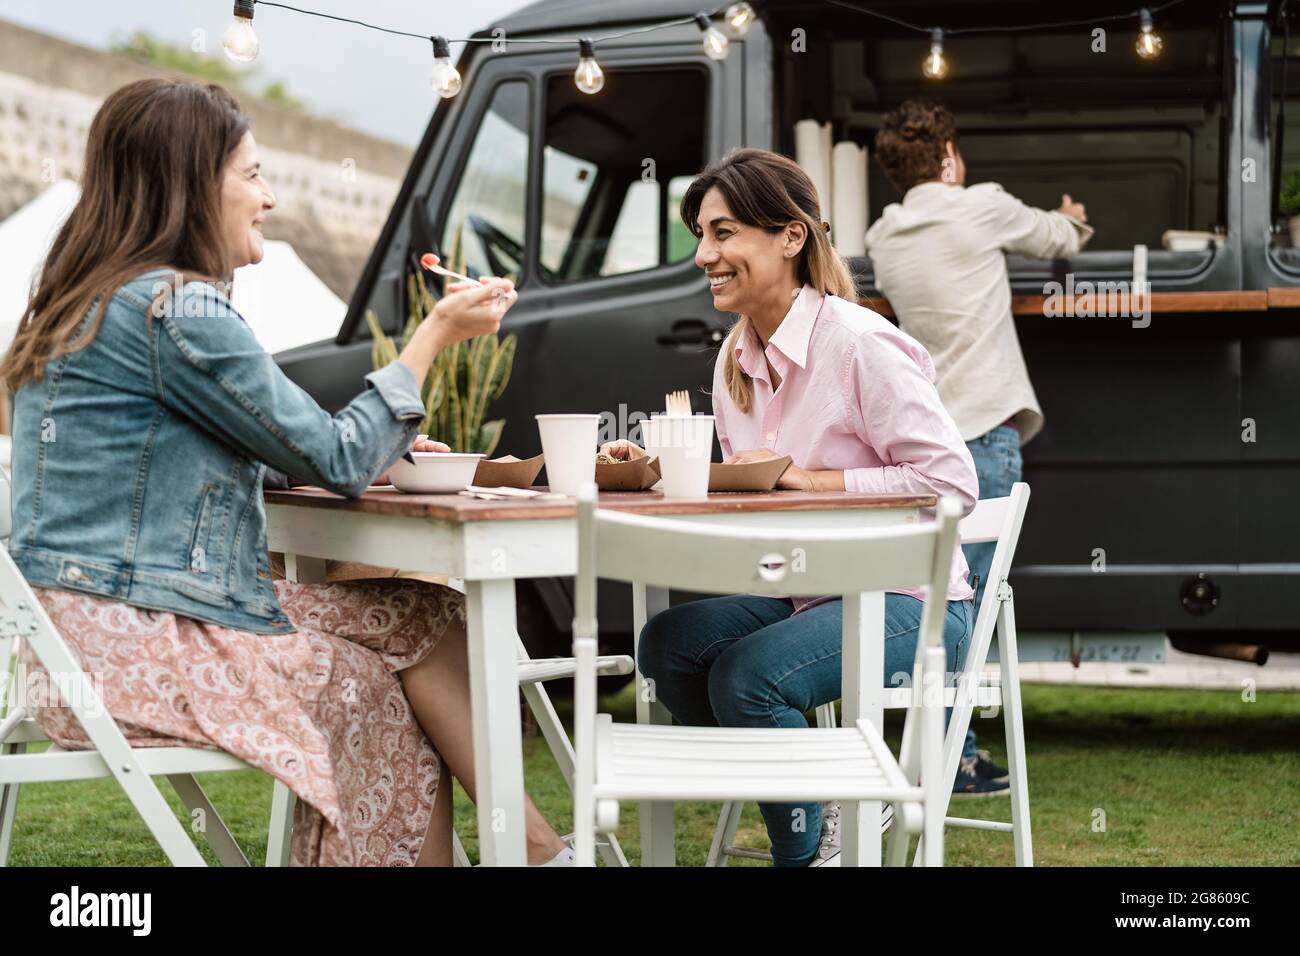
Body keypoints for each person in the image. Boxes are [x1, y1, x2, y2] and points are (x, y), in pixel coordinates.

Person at [2, 77, 572, 866]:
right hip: (132, 650)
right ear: (194, 184)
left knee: (428, 615)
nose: (267, 197)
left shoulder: (92, 303)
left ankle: (536, 847)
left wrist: (385, 447)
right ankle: (536, 853)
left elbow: (195, 459)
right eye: (252, 174)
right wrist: (434, 335)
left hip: (79, 638)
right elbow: (331, 458)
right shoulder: (180, 311)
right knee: (368, 686)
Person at [600, 148, 979, 866]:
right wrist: (654, 471)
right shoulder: (736, 358)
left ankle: (809, 850)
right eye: (701, 236)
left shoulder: (859, 342)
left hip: (910, 599)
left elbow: (953, 482)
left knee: (747, 677)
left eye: (722, 232)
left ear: (790, 237)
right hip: (809, 592)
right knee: (668, 647)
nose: (703, 254)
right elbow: (754, 486)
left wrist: (813, 481)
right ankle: (809, 789)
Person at [865, 98, 1093, 796]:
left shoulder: (883, 235)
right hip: (985, 436)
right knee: (973, 604)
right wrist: (1075, 215)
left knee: (934, 599)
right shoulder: (980, 205)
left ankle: (932, 745)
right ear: (949, 158)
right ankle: (955, 757)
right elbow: (1061, 238)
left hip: (923, 444)